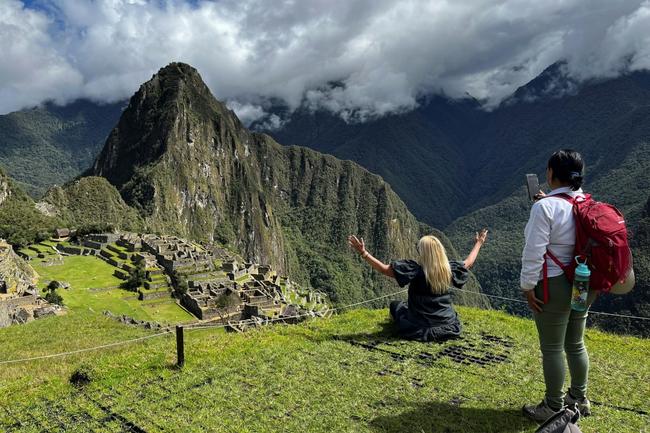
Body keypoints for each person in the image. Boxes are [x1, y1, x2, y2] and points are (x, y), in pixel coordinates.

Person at [521, 149, 596, 423]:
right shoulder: (585, 202)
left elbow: (534, 252)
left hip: (554, 284)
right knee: (575, 343)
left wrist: (528, 286)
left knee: (552, 348)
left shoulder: (544, 208)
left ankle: (552, 406)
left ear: (551, 174)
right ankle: (579, 398)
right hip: (583, 281)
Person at [347, 229, 488, 342]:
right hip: (447, 326)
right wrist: (479, 243)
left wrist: (363, 253)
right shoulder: (448, 270)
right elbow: (468, 262)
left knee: (396, 306)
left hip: (420, 327)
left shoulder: (415, 271)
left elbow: (384, 269)